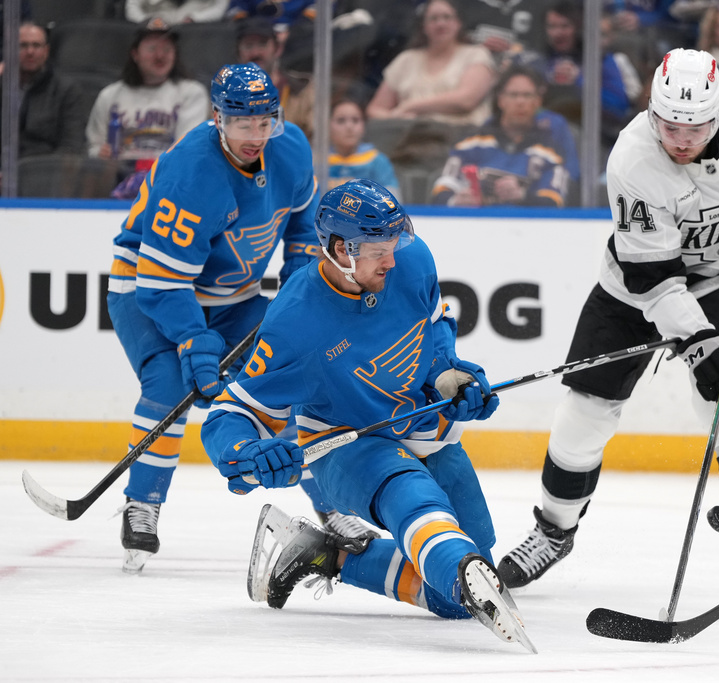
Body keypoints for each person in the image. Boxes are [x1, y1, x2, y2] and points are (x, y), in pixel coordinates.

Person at [498, 48, 719, 619]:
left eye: (694, 126)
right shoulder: (633, 161)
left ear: (718, 113)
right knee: (586, 409)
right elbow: (655, 279)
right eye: (669, 125)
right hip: (633, 289)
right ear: (651, 112)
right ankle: (554, 531)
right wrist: (699, 343)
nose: (681, 138)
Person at [199, 179, 533, 652]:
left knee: (457, 597)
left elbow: (435, 328)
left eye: (395, 242)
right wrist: (245, 452)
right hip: (347, 442)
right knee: (422, 513)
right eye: (379, 248)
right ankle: (452, 558)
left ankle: (325, 555)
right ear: (339, 248)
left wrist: (450, 376)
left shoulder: (411, 261)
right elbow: (230, 413)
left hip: (421, 426)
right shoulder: (295, 322)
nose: (392, 259)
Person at [106, 63, 323, 574]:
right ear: (217, 118)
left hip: (235, 295)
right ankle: (142, 505)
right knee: (167, 387)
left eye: (265, 120)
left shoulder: (290, 148)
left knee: (293, 383)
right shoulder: (191, 172)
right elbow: (162, 284)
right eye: (242, 122)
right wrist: (191, 341)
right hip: (147, 289)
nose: (255, 134)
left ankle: (332, 507)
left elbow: (304, 226)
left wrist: (298, 277)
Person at [85, 18, 209, 197]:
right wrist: (99, 153)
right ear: (135, 54)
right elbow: (93, 148)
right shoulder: (110, 95)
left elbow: (185, 152)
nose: (160, 56)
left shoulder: (191, 93)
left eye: (167, 49)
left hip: (169, 183)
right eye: (152, 49)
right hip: (115, 181)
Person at [514, 2, 642, 159]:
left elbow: (618, 107)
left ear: (578, 28)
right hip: (536, 133)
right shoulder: (538, 58)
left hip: (594, 138)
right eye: (552, 26)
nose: (557, 33)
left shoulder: (599, 58)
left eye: (564, 26)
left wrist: (580, 81)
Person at [431, 65, 571, 208]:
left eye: (527, 95)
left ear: (538, 101)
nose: (520, 102)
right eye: (513, 95)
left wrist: (522, 196)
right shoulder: (470, 144)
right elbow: (441, 190)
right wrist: (455, 201)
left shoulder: (552, 153)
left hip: (525, 227)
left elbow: (554, 202)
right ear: (500, 100)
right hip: (473, 225)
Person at [365, 0, 496, 126]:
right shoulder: (406, 60)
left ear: (458, 23)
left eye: (447, 17)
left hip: (462, 140)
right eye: (433, 18)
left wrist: (411, 106)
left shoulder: (476, 54)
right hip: (409, 139)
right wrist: (395, 118)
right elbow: (375, 109)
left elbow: (466, 100)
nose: (440, 24)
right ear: (423, 26)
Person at [0, 21, 87, 159]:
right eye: (23, 45)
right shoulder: (3, 83)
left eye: (36, 45)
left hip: (43, 172)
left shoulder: (67, 90)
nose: (30, 52)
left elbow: (71, 147)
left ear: (46, 51)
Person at [325, 93, 401, 198]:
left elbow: (393, 201)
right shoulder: (317, 160)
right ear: (327, 125)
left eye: (355, 120)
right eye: (341, 120)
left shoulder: (377, 161)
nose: (349, 126)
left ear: (364, 125)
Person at [125, 0, 231, 24]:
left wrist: (195, 18)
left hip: (196, 35)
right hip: (153, 32)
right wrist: (147, 22)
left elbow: (220, 8)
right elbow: (132, 6)